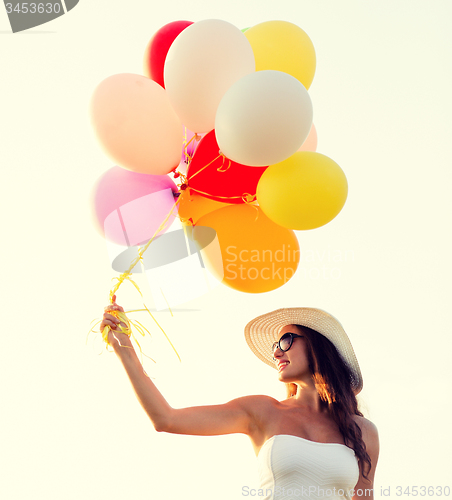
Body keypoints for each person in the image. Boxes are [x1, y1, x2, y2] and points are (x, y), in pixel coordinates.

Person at [101, 301, 379, 500]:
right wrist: (124, 348)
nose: (277, 353)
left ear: (318, 345)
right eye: (275, 347)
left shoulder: (362, 432)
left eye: (286, 341)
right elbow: (166, 419)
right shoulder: (262, 410)